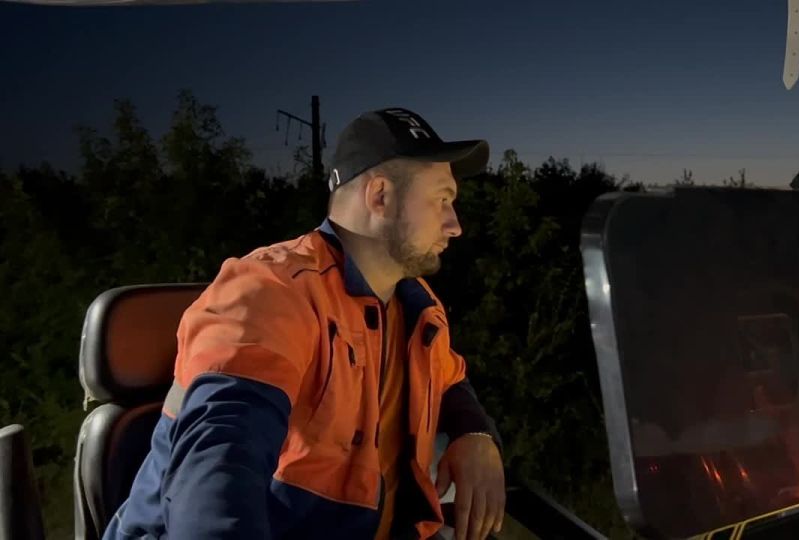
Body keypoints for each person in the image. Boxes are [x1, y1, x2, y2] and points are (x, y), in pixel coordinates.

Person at [103, 108, 505, 540]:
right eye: (442, 200)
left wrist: (474, 434)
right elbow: (218, 467)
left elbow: (449, 379)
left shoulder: (416, 304)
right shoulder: (271, 290)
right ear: (380, 197)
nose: (455, 225)